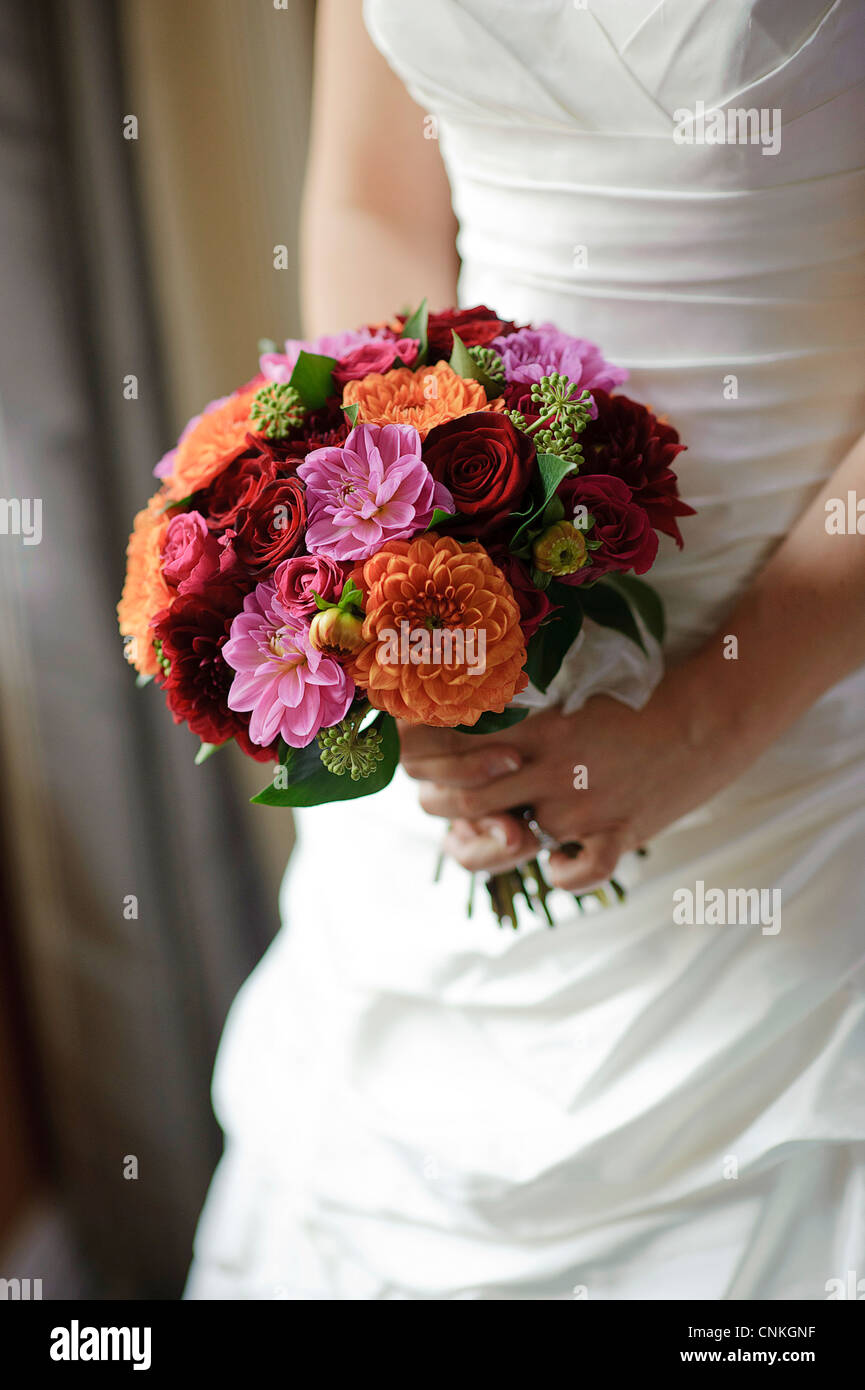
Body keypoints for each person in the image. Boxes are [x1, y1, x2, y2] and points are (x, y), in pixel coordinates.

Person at [186, 0, 865, 1299]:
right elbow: (374, 199)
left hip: (811, 704)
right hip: (487, 641)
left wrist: (706, 720)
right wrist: (403, 551)